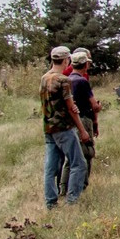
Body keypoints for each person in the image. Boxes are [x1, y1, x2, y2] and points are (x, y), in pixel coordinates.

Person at [40, 45, 90, 207]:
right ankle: (72, 200)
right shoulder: (63, 80)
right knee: (78, 163)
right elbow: (70, 108)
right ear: (66, 60)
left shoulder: (44, 78)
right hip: (63, 127)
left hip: (48, 127)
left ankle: (51, 202)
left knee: (51, 168)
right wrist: (82, 130)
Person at [69, 47, 101, 181]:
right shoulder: (82, 81)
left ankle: (65, 186)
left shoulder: (67, 79)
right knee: (87, 152)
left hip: (71, 120)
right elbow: (94, 105)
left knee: (71, 156)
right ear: (86, 64)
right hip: (84, 119)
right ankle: (83, 182)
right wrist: (98, 107)